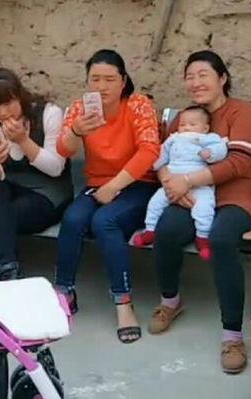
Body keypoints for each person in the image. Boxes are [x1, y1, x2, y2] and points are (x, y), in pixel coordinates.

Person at [148, 50, 251, 374]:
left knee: (222, 239)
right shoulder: (185, 118)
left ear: (222, 78)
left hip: (235, 193)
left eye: (203, 75)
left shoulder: (242, 112)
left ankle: (232, 336)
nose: (196, 82)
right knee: (166, 230)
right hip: (190, 193)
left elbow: (239, 162)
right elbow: (163, 158)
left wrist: (188, 180)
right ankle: (170, 301)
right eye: (190, 76)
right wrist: (171, 183)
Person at [54, 49, 160, 344]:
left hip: (137, 184)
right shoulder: (80, 109)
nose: (101, 86)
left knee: (105, 221)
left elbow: (150, 150)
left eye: (109, 79)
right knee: (73, 218)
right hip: (97, 185)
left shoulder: (138, 105)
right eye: (95, 79)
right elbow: (64, 150)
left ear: (123, 81)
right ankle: (64, 291)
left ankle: (123, 303)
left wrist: (114, 186)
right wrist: (76, 131)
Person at [0, 67, 73, 279]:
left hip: (48, 193)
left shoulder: (48, 113)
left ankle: (4, 268)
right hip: (11, 189)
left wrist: (22, 140)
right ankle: (3, 265)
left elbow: (55, 168)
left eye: (7, 103)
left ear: (19, 96)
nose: (2, 113)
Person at [132, 105, 228, 261]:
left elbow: (221, 149)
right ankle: (150, 230)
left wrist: (210, 153)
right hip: (172, 180)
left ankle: (203, 238)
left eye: (192, 124)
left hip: (199, 183)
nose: (186, 128)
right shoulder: (174, 138)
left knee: (204, 208)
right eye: (182, 124)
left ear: (205, 128)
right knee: (155, 203)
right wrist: (154, 164)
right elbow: (162, 154)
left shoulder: (207, 138)